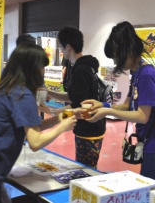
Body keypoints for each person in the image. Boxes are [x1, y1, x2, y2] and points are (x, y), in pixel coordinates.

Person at [0, 43, 77, 202]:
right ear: (33, 68)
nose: (43, 72)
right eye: (42, 67)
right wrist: (62, 127)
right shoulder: (23, 95)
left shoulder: (8, 88)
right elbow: (35, 142)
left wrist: (61, 118)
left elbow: (33, 126)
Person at [81, 21, 155, 188]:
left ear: (126, 50)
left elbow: (142, 116)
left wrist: (106, 113)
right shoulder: (138, 72)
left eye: (115, 56)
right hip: (154, 145)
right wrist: (103, 105)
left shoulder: (146, 74)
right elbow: (128, 104)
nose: (115, 61)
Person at [40, 26, 106, 169]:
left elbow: (77, 104)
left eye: (61, 48)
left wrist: (52, 112)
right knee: (86, 168)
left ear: (68, 47)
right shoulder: (85, 66)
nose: (62, 52)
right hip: (91, 126)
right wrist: (50, 93)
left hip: (88, 128)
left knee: (86, 171)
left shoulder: (81, 69)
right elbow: (74, 96)